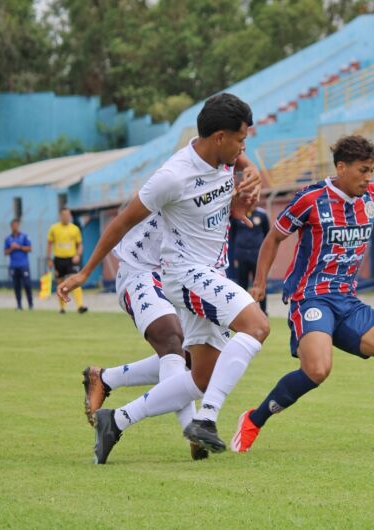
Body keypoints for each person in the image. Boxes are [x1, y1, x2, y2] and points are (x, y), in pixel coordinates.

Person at [58, 93, 268, 463]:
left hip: (209, 271)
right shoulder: (172, 177)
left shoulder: (224, 157)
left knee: (201, 377)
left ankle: (117, 420)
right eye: (240, 140)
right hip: (183, 274)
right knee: (256, 325)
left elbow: (231, 175)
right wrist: (86, 272)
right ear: (219, 137)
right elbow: (121, 222)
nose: (244, 148)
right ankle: (205, 420)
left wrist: (246, 182)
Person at [230, 135, 374, 453]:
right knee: (317, 370)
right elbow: (274, 238)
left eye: (372, 170)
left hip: (347, 300)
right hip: (311, 297)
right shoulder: (310, 199)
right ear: (341, 167)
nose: (368, 177)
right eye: (363, 170)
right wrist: (260, 283)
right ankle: (253, 420)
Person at [229, 206, 270, 313]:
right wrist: (235, 256)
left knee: (260, 284)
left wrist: (265, 257)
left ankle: (263, 312)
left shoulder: (262, 214)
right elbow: (232, 235)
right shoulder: (238, 215)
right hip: (241, 255)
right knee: (242, 286)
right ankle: (242, 312)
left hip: (257, 256)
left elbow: (268, 235)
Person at [47, 208, 88, 314]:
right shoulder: (54, 228)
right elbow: (49, 244)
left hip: (71, 259)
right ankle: (62, 308)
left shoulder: (75, 229)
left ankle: (80, 306)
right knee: (60, 284)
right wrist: (49, 259)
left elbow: (80, 245)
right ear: (61, 216)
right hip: (59, 260)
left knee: (75, 280)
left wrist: (78, 255)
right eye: (64, 215)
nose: (66, 217)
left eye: (68, 215)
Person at [4, 219, 33, 310]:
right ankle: (19, 305)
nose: (15, 227)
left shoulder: (24, 236)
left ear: (18, 225)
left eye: (16, 225)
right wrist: (11, 248)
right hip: (14, 266)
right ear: (11, 226)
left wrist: (19, 247)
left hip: (24, 265)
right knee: (17, 286)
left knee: (27, 285)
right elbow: (5, 252)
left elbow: (29, 248)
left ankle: (30, 304)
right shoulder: (8, 239)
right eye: (13, 225)